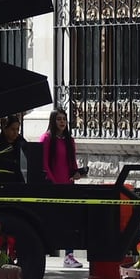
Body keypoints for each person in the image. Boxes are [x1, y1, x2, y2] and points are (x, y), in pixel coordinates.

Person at [40, 107, 86, 268]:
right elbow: (44, 163)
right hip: (53, 187)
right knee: (53, 221)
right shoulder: (46, 139)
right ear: (53, 121)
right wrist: (53, 183)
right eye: (59, 119)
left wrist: (77, 174)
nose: (62, 122)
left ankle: (69, 255)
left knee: (70, 221)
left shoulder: (69, 140)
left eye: (64, 119)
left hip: (68, 185)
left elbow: (72, 163)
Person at [0, 114, 29, 183]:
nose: (16, 132)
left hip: (19, 180)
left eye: (17, 129)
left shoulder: (21, 141)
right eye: (12, 129)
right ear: (5, 129)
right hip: (4, 181)